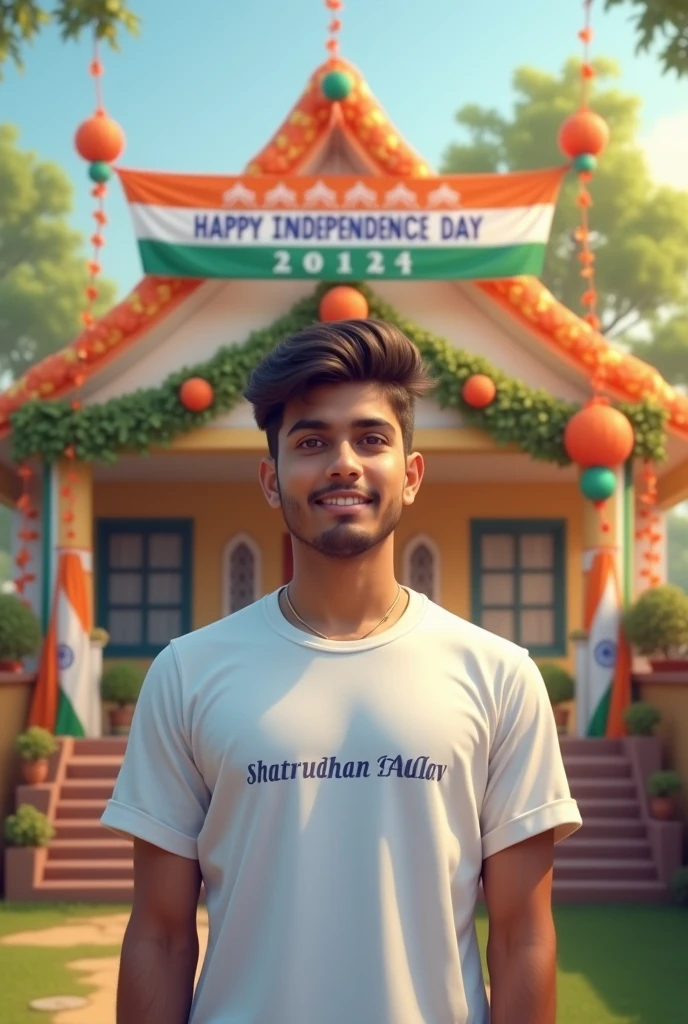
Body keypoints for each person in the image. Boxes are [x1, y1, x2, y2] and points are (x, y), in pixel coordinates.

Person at [102, 318, 582, 1024]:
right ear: (271, 480)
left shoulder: (499, 675)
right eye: (312, 441)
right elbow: (160, 934)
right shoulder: (188, 673)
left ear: (411, 475)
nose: (343, 463)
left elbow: (522, 937)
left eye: (371, 438)